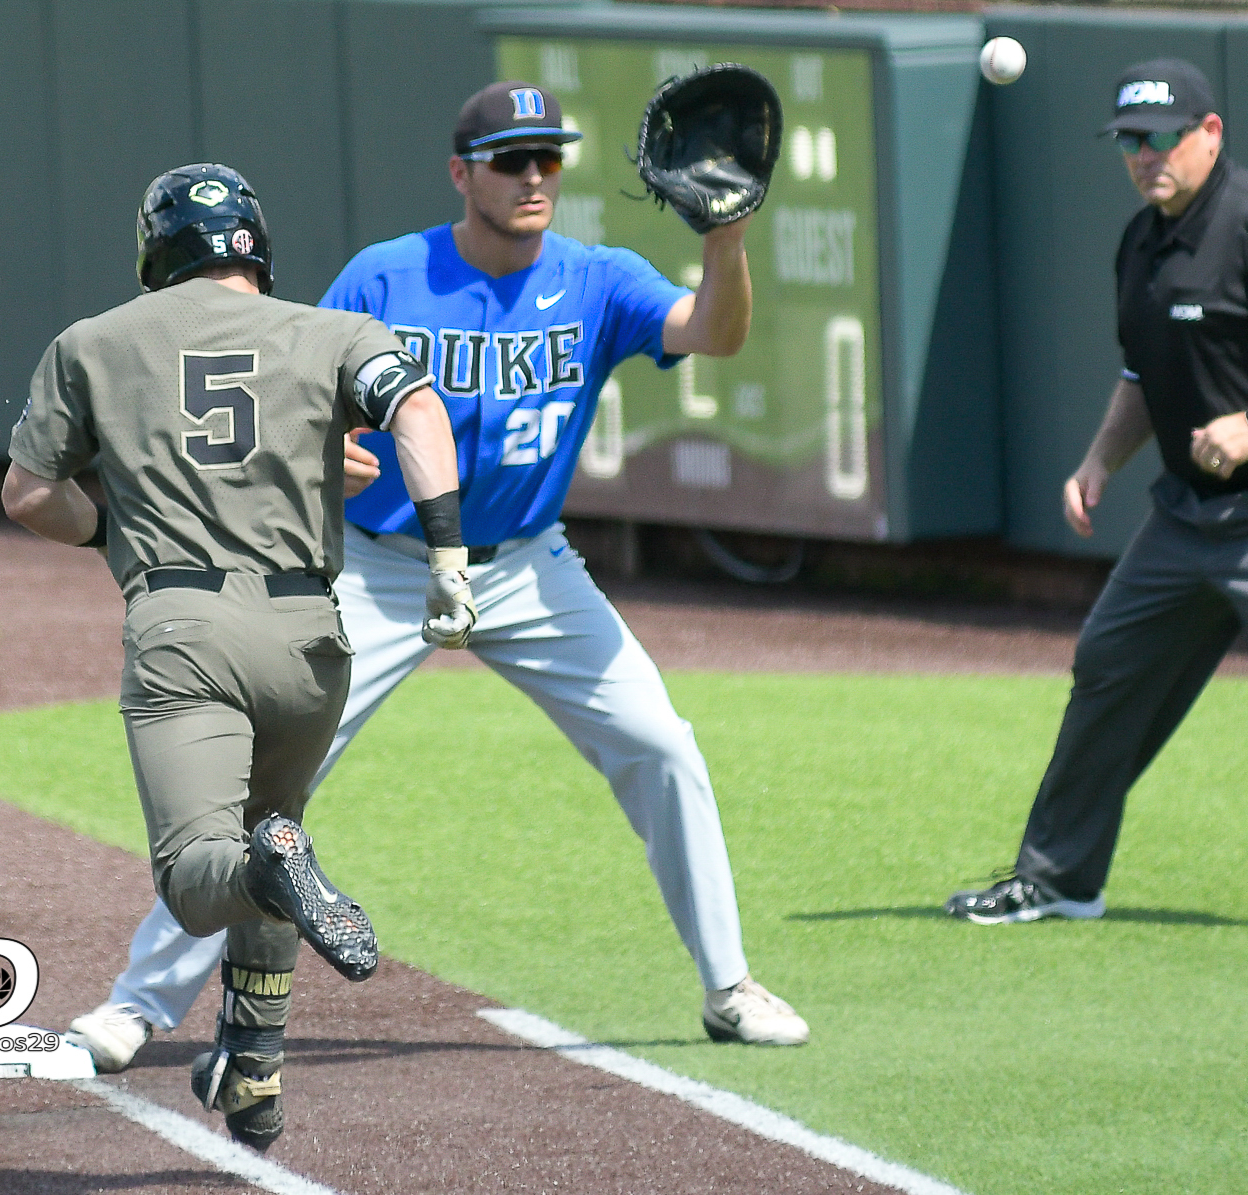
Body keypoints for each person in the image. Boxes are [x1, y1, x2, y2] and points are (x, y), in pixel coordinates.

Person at [64, 80, 809, 1074]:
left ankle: (728, 984)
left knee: (660, 746)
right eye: (511, 158)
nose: (534, 174)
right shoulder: (388, 274)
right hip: (374, 569)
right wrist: (324, 454)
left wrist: (725, 240)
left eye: (548, 156)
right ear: (463, 174)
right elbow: (300, 387)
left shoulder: (597, 278)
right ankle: (139, 1002)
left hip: (532, 570)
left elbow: (712, 333)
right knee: (271, 786)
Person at [4, 162, 475, 1150]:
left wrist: (110, 534)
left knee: (203, 869)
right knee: (275, 826)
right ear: (256, 247)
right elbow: (420, 413)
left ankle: (271, 880)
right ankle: (254, 1066)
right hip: (311, 638)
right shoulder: (336, 332)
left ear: (155, 250)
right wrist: (445, 553)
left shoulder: (90, 343)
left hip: (185, 630)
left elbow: (28, 493)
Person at [945, 59, 1248, 931]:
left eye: (1163, 136)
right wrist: (1096, 463)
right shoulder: (1142, 240)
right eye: (1130, 139)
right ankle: (1058, 879)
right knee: (1108, 664)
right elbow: (1142, 372)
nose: (1145, 154)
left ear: (1209, 135)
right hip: (1189, 511)